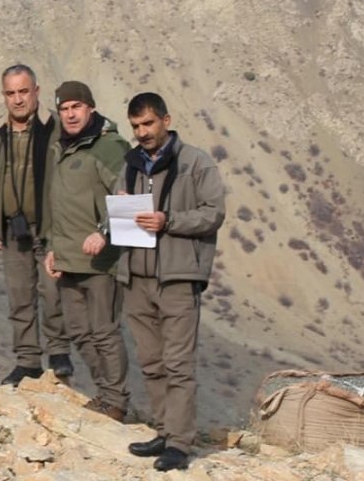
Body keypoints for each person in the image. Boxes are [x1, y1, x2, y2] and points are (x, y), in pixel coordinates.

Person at [115, 92, 225, 471]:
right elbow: (116, 209)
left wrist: (169, 221)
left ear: (166, 120)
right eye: (135, 127)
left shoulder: (196, 163)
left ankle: (180, 442)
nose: (142, 132)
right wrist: (119, 206)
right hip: (137, 276)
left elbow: (213, 214)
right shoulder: (130, 165)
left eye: (148, 124)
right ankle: (164, 430)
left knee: (178, 363)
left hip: (178, 277)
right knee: (151, 361)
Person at [42, 81, 130, 421]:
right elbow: (60, 204)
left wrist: (103, 232)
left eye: (76, 107)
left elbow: (126, 195)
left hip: (101, 260)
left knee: (104, 331)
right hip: (69, 258)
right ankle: (105, 393)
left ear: (90, 108)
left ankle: (116, 399)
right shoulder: (62, 147)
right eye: (64, 109)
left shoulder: (109, 147)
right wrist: (53, 248)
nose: (70, 114)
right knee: (79, 331)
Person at [0, 65, 73, 387]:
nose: (18, 99)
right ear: (4, 96)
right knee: (19, 296)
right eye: (11, 93)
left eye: (24, 91)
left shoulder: (56, 128)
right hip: (11, 229)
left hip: (49, 227)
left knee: (52, 292)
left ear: (37, 91)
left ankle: (59, 353)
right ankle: (28, 361)